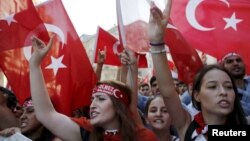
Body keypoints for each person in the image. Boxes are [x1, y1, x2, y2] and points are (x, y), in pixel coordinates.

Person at [148, 1, 247, 140]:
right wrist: (157, 42)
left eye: (229, 87)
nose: (223, 92)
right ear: (196, 95)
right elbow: (167, 91)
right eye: (213, 86)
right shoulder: (188, 127)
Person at [28, 35, 157, 141]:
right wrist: (34, 65)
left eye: (101, 99)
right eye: (93, 99)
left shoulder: (143, 137)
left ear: (119, 106)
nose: (93, 105)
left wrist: (132, 68)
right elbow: (46, 114)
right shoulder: (86, 132)